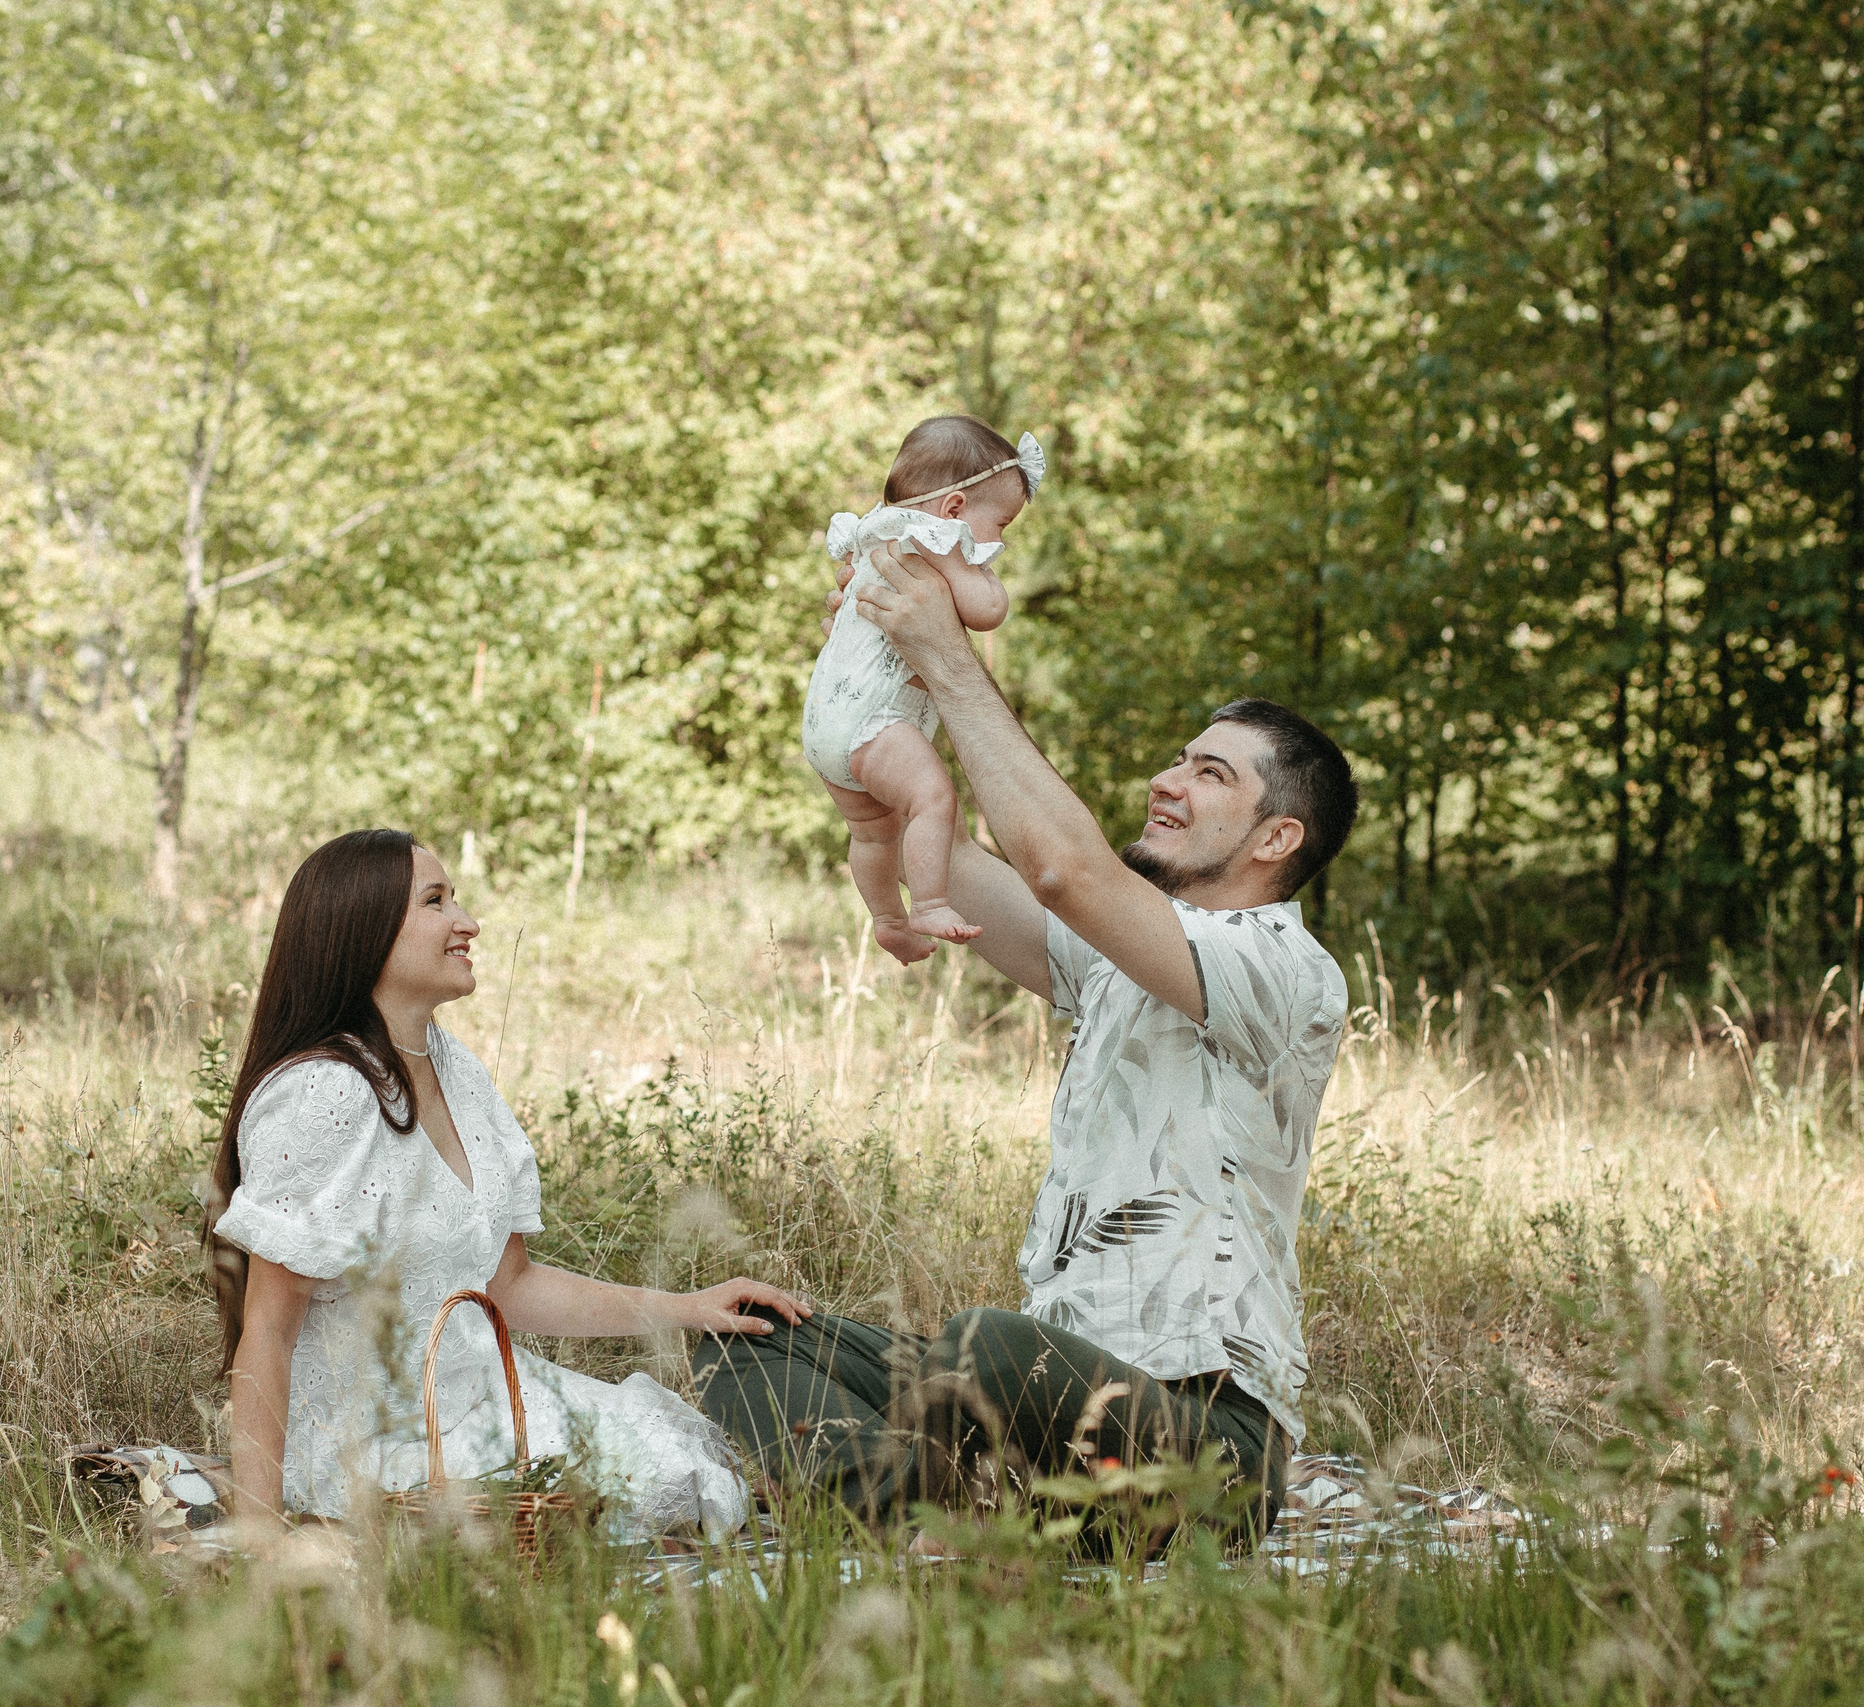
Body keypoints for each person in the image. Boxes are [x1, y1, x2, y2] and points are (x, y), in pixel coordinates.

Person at [695, 540, 1358, 1547]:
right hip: (1043, 1417)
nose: (1164, 780)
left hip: (1202, 1443)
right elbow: (937, 858)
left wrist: (953, 655)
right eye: (1177, 759)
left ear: (1276, 839)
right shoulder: (1113, 964)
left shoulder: (1285, 970)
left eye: (1207, 773)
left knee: (988, 1348)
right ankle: (936, 1518)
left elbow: (1063, 870)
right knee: (732, 1333)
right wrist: (876, 726)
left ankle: (945, 1503)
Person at [206, 829, 811, 1541]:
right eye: (436, 901)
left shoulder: (454, 1069)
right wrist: (260, 1538)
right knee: (625, 1504)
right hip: (377, 1448)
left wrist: (688, 1307)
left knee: (682, 1458)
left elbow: (511, 1285)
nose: (468, 921)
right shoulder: (322, 1094)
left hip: (491, 1396)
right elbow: (268, 1331)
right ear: (363, 932)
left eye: (455, 898)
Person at [803, 415, 1043, 962]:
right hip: (874, 721)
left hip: (823, 725)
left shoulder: (873, 533)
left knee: (871, 834)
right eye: (1001, 525)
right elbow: (986, 611)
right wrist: (982, 575)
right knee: (932, 799)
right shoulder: (934, 538)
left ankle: (887, 918)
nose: (998, 541)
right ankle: (929, 903)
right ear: (955, 508)